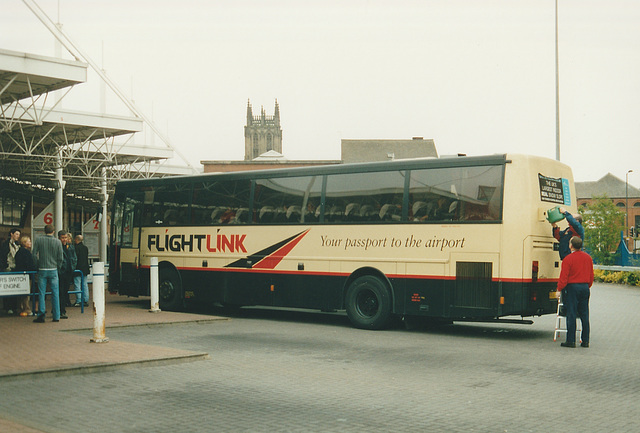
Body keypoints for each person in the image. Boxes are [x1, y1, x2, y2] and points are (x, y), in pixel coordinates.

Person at [557, 236, 593, 348]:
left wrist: (559, 289)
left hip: (572, 288)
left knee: (571, 313)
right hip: (585, 287)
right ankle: (585, 340)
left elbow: (564, 277)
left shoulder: (568, 259)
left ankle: (571, 341)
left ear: (571, 245)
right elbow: (591, 275)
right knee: (584, 314)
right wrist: (587, 285)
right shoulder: (588, 258)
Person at [32, 224, 64, 322]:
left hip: (42, 269)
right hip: (53, 269)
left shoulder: (39, 240)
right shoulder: (58, 242)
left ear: (44, 231)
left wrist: (37, 264)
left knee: (41, 292)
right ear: (53, 231)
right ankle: (56, 316)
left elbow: (33, 254)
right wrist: (58, 267)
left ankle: (41, 314)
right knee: (55, 293)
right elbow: (60, 258)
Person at [1, 228, 22, 315]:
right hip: (8, 268)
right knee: (7, 289)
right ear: (12, 234)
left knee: (15, 289)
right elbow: (3, 255)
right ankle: (8, 307)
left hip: (15, 268)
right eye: (16, 234)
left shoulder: (18, 245)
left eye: (19, 235)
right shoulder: (5, 244)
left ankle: (14, 306)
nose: (18, 236)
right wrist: (5, 266)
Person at [15, 235, 36, 317]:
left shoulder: (19, 252)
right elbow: (30, 264)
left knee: (21, 293)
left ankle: (20, 308)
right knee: (26, 293)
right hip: (27, 275)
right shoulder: (26, 253)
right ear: (24, 243)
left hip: (20, 274)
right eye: (29, 241)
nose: (30, 243)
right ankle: (26, 309)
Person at [73, 234, 90, 307]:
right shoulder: (85, 248)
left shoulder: (75, 248)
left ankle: (79, 300)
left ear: (76, 240)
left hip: (78, 269)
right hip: (85, 269)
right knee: (84, 284)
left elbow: (75, 259)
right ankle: (85, 299)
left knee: (77, 284)